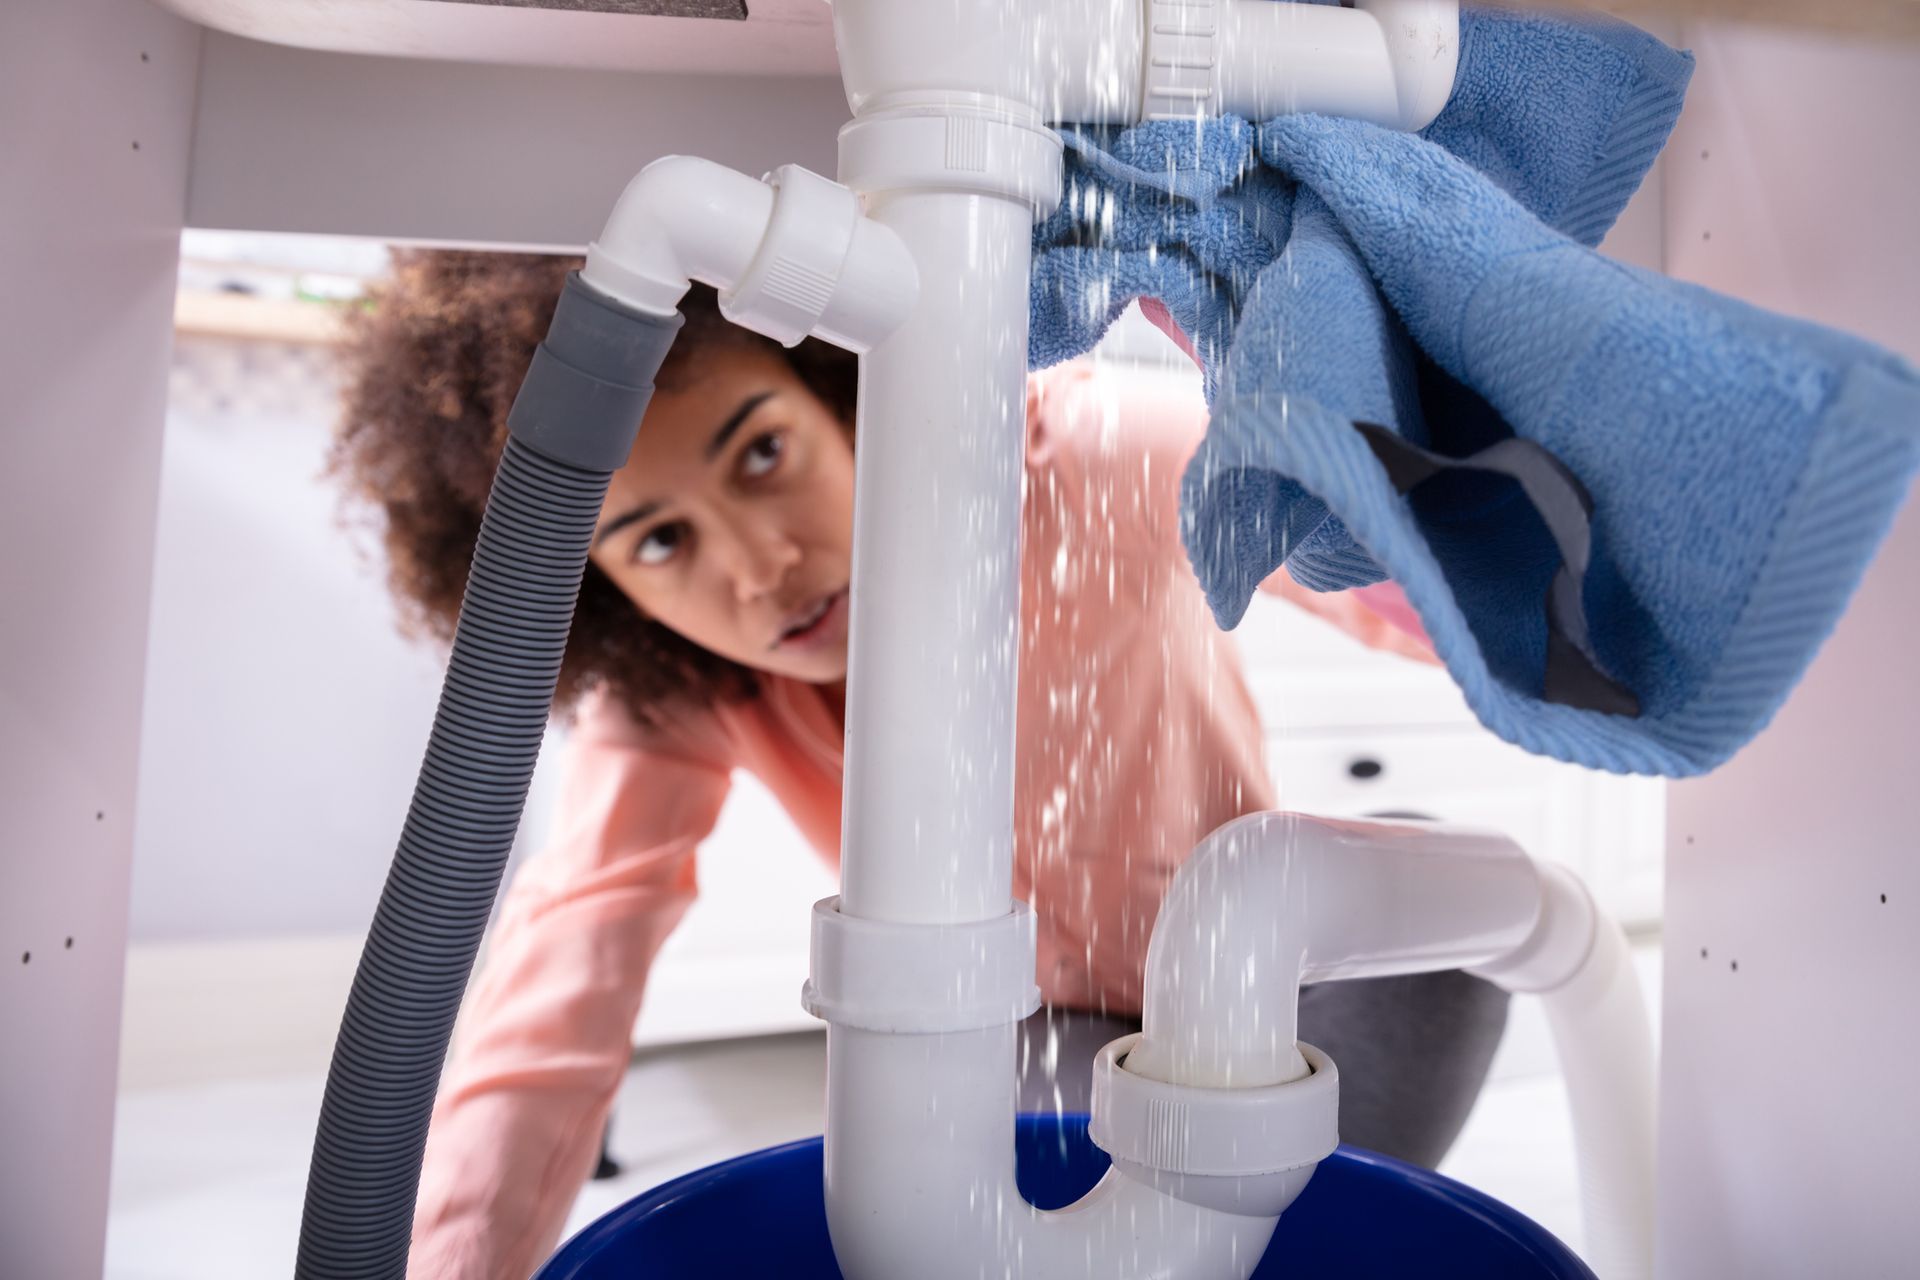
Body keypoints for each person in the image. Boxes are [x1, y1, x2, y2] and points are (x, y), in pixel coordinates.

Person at [331, 250, 1506, 1280]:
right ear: (607, 594)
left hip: (1272, 993)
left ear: (845, 390)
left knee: (1440, 920)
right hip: (1036, 1043)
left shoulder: (1090, 456)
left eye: (761, 453)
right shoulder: (684, 687)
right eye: (658, 538)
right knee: (1014, 1136)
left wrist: (1560, 599)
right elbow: (566, 966)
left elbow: (1390, 562)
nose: (760, 566)